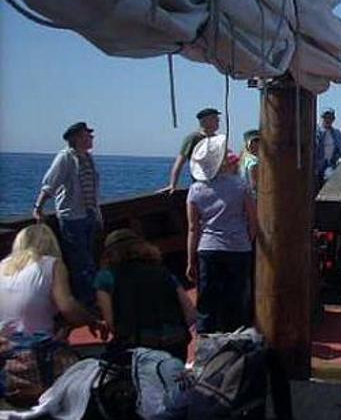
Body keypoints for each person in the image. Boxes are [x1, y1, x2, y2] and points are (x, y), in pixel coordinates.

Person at [186, 135, 257, 333]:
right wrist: (247, 242)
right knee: (236, 300)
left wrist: (191, 260)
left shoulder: (195, 190)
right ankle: (235, 346)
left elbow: (193, 228)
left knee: (207, 301)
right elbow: (253, 221)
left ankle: (205, 346)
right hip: (238, 248)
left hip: (208, 248)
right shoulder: (241, 186)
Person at [94, 229, 195, 361]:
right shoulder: (163, 272)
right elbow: (190, 313)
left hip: (138, 345)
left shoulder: (106, 277)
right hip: (175, 342)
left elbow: (112, 323)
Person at [32, 121, 101, 308]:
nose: (92, 138)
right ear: (77, 138)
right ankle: (87, 301)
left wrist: (97, 214)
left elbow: (93, 189)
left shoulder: (87, 158)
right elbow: (50, 184)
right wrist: (38, 207)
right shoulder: (65, 158)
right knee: (81, 261)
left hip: (89, 215)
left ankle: (90, 298)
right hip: (72, 218)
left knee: (87, 258)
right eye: (88, 135)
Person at [0, 224, 101, 337]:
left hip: (5, 341)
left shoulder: (3, 265)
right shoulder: (53, 264)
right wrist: (92, 321)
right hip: (36, 340)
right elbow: (67, 307)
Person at [160, 107, 221, 194]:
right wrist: (173, 185)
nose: (218, 121)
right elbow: (179, 163)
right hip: (202, 185)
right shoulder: (193, 139)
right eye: (214, 118)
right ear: (205, 121)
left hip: (218, 185)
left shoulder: (218, 139)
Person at [314, 107, 341, 188]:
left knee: (331, 178)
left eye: (330, 118)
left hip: (329, 165)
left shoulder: (336, 133)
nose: (328, 120)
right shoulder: (315, 131)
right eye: (326, 117)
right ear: (322, 118)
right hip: (316, 164)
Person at [239, 128, 260, 197]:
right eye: (255, 141)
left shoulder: (243, 160)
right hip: (256, 197)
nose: (257, 144)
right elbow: (255, 184)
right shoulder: (253, 161)